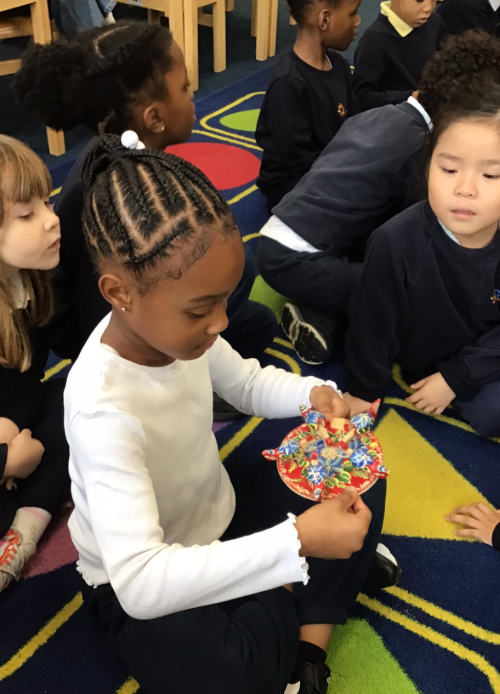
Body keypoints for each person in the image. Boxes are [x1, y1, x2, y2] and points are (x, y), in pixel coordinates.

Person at [65, 133, 389, 694]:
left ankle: (307, 651)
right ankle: (310, 580)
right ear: (119, 293)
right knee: (232, 671)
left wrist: (312, 394)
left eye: (224, 299)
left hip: (220, 514)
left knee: (361, 467)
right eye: (200, 310)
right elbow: (141, 582)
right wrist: (294, 544)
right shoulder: (103, 410)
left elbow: (245, 382)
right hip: (138, 578)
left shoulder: (178, 335)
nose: (219, 323)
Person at [13, 21, 277, 421]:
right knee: (242, 290)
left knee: (258, 323)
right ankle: (177, 387)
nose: (193, 96)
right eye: (185, 88)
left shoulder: (128, 157)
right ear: (153, 117)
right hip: (102, 324)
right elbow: (104, 305)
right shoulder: (116, 196)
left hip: (128, 299)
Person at [257, 31, 500, 365]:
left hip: (281, 239)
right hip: (299, 261)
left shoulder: (382, 114)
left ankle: (324, 314)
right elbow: (424, 240)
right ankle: (330, 313)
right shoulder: (419, 148)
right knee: (414, 290)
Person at [343, 88, 500, 440]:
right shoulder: (396, 242)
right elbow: (373, 325)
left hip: (483, 355)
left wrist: (457, 377)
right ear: (427, 166)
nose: (465, 189)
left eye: (491, 175)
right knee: (491, 413)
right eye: (449, 169)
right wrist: (362, 390)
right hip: (430, 359)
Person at [0, 136, 69, 592]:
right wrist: (6, 459)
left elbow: (30, 380)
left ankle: (20, 537)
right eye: (27, 215)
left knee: (77, 399)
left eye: (47, 202)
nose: (51, 219)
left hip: (18, 424)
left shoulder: (27, 284)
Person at [255, 0, 361, 212]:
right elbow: (299, 161)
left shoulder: (339, 65)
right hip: (292, 185)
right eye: (353, 13)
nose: (358, 21)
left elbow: (355, 124)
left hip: (333, 168)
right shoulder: (288, 84)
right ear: (324, 20)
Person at [353, 0, 447, 112]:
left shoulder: (435, 22)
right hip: (399, 115)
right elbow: (361, 98)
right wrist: (409, 98)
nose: (428, 7)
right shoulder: (373, 42)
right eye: (419, 0)